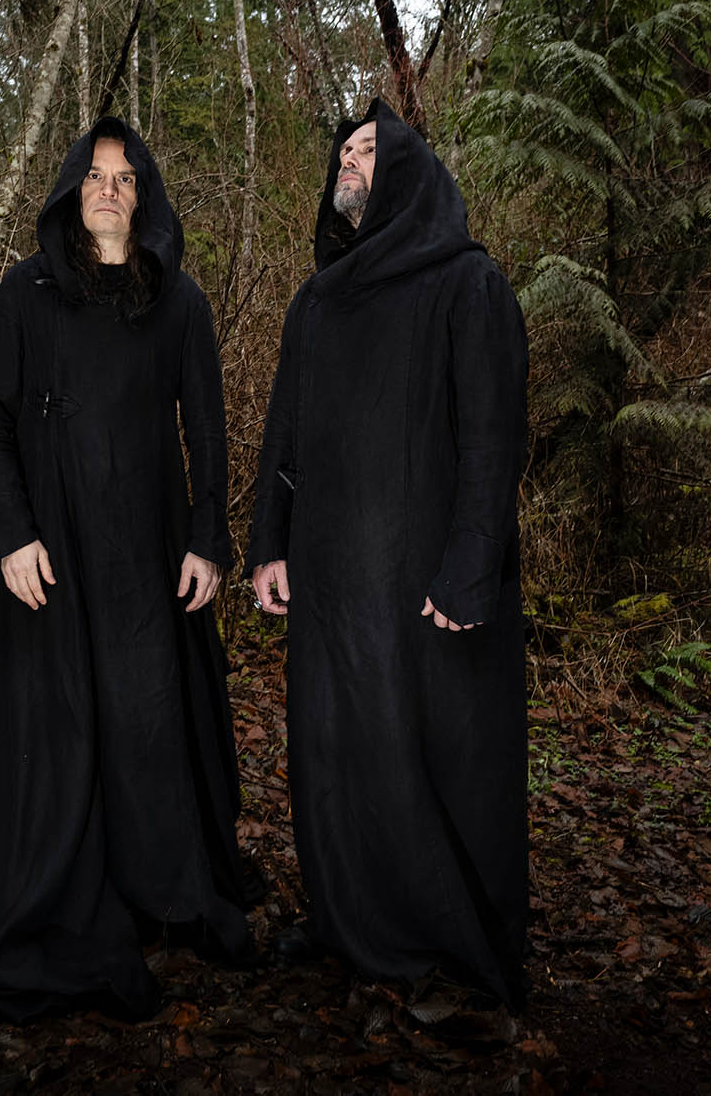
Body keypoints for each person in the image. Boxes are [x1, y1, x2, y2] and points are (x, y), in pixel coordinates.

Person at [0, 118, 253, 1022]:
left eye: (126, 177)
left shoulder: (179, 301)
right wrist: (9, 533)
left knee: (148, 720)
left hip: (147, 553)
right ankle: (61, 894)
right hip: (52, 558)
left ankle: (163, 888)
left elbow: (208, 429)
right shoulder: (24, 295)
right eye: (96, 175)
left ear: (144, 195)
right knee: (58, 726)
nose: (110, 189)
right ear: (73, 190)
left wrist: (207, 536)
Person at [247, 99, 530, 1007]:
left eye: (371, 149)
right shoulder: (316, 302)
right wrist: (267, 545)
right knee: (333, 753)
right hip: (331, 590)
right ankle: (346, 920)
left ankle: (446, 940)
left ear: (410, 170)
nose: (352, 162)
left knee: (433, 759)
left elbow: (494, 440)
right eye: (345, 151)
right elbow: (282, 437)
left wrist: (470, 567)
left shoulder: (468, 284)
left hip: (424, 596)